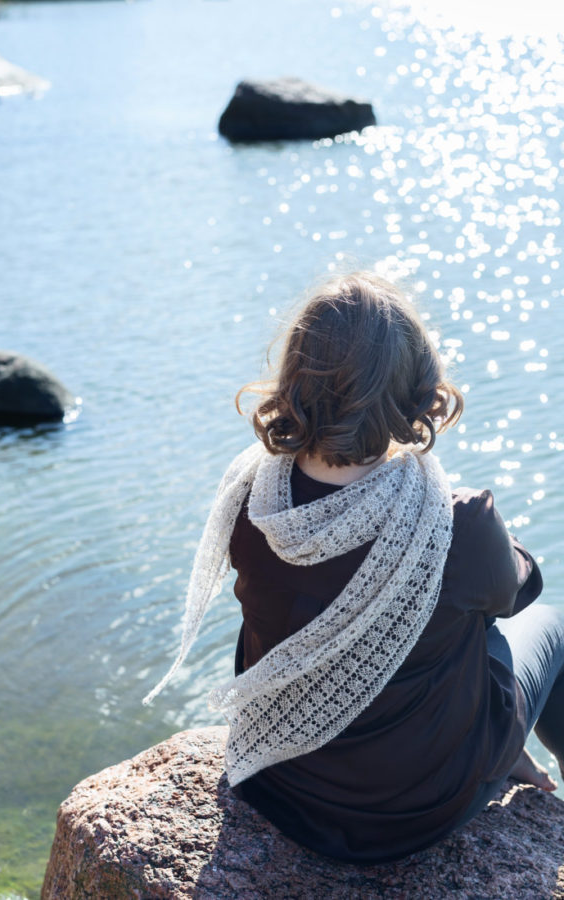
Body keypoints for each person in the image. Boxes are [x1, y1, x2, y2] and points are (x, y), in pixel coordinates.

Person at [144, 271, 564, 864]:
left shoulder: (253, 498)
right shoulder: (456, 520)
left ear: (294, 379)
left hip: (281, 785)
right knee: (550, 627)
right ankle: (501, 747)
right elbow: (512, 596)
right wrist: (492, 536)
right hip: (419, 808)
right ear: (416, 389)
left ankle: (503, 744)